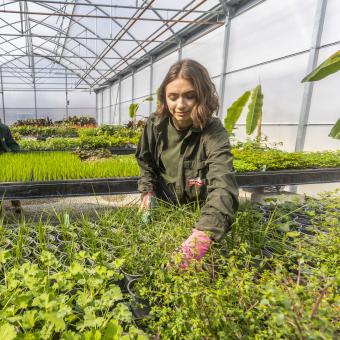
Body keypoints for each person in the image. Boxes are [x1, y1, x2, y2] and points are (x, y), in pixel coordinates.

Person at [135, 59, 239, 268]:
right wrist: (148, 192)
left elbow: (223, 183)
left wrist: (202, 237)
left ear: (201, 95)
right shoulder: (155, 125)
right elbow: (145, 160)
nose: (180, 105)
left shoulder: (213, 132)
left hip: (199, 211)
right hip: (164, 207)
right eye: (173, 97)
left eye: (189, 96)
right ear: (165, 96)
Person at [0, 120, 22, 214]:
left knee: (9, 180)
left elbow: (11, 143)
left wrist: (14, 151)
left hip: (5, 159)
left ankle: (16, 205)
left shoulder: (4, 128)